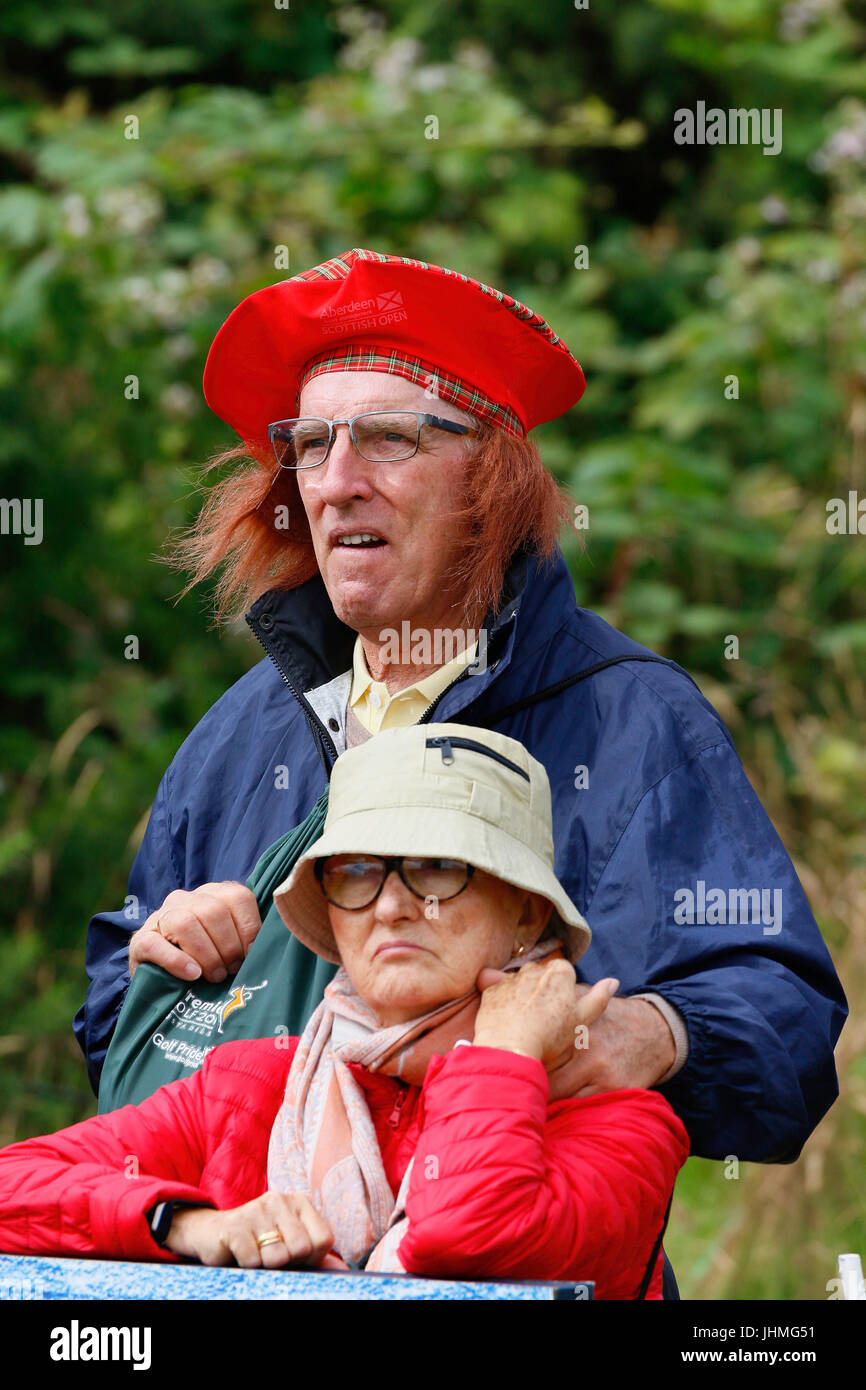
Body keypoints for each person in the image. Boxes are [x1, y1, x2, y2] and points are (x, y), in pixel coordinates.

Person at [75, 247, 845, 1180]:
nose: (335, 480)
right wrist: (172, 966)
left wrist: (653, 1034)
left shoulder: (636, 722)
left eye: (389, 437)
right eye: (311, 444)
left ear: (492, 476)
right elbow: (118, 1025)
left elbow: (786, 1025)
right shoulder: (240, 735)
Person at [0, 727, 689, 1299]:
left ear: (527, 911)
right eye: (356, 871)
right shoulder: (247, 1087)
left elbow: (465, 1240)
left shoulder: (619, 1122)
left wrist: (503, 1058)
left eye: (437, 866)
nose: (390, 904)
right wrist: (186, 1224)